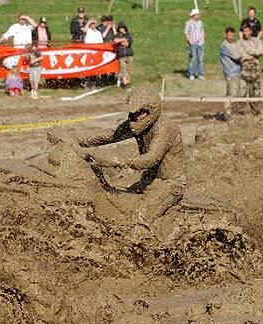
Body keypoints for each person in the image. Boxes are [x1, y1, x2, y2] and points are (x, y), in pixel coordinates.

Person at [79, 88, 187, 237]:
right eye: (131, 114)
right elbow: (111, 136)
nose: (133, 118)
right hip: (149, 179)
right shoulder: (136, 123)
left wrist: (120, 161)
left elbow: (151, 158)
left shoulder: (165, 128)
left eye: (137, 113)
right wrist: (79, 142)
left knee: (140, 216)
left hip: (170, 183)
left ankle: (141, 249)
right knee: (115, 198)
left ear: (150, 112)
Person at [236, 24, 263, 115]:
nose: (245, 33)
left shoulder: (257, 41)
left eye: (247, 31)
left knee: (256, 91)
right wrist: (252, 54)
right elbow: (239, 55)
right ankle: (240, 113)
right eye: (244, 31)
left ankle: (256, 112)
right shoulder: (239, 42)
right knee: (242, 92)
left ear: (251, 31)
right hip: (244, 70)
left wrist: (249, 51)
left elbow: (260, 51)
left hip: (255, 70)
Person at [221, 27, 242, 117]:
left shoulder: (232, 44)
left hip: (236, 73)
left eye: (232, 36)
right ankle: (227, 114)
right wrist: (242, 52)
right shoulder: (225, 45)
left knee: (235, 93)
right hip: (230, 73)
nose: (231, 37)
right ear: (225, 35)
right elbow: (237, 56)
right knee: (231, 93)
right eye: (229, 35)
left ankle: (231, 112)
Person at [184, 9, 205, 80]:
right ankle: (191, 74)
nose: (199, 15)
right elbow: (186, 32)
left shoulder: (200, 23)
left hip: (200, 44)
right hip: (192, 44)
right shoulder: (188, 23)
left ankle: (200, 74)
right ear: (193, 15)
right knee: (192, 60)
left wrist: (203, 40)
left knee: (200, 60)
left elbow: (202, 31)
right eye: (197, 14)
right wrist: (190, 41)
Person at [114, 21, 134, 89]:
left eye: (122, 28)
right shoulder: (117, 35)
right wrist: (124, 40)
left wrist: (121, 41)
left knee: (129, 70)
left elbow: (127, 44)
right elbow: (115, 40)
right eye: (120, 28)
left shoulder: (129, 34)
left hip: (129, 54)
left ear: (125, 28)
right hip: (122, 55)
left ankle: (128, 83)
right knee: (124, 70)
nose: (121, 29)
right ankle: (126, 85)